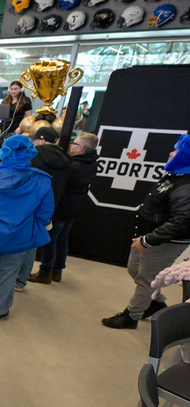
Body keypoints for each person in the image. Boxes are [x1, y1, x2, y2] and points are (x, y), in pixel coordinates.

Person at [102, 134, 190, 329]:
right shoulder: (175, 175)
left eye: (176, 150)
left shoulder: (186, 185)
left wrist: (149, 240)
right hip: (148, 235)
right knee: (134, 269)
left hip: (164, 241)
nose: (171, 152)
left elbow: (182, 220)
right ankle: (155, 303)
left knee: (145, 278)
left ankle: (131, 316)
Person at [0, 135, 53, 319]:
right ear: (30, 153)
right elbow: (45, 213)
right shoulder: (42, 181)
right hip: (20, 238)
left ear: (4, 153)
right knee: (8, 274)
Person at [31, 132, 99, 285]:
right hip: (74, 208)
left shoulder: (72, 166)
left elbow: (59, 187)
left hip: (62, 208)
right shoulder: (91, 164)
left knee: (50, 240)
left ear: (80, 148)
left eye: (74, 143)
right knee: (62, 239)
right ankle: (57, 270)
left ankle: (45, 272)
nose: (71, 145)